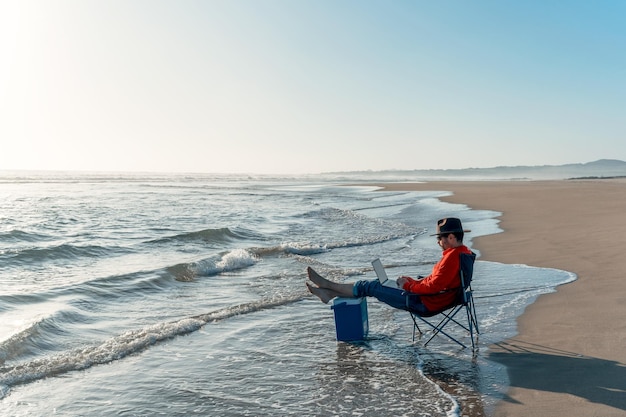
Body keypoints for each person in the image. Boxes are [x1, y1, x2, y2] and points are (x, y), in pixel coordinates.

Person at [306, 217, 473, 315]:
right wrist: (412, 281)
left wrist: (408, 286)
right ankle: (328, 293)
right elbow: (437, 283)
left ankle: (328, 286)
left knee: (370, 286)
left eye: (440, 239)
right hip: (432, 299)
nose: (438, 242)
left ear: (450, 237)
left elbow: (434, 286)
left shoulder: (452, 258)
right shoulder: (463, 253)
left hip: (422, 303)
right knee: (375, 285)